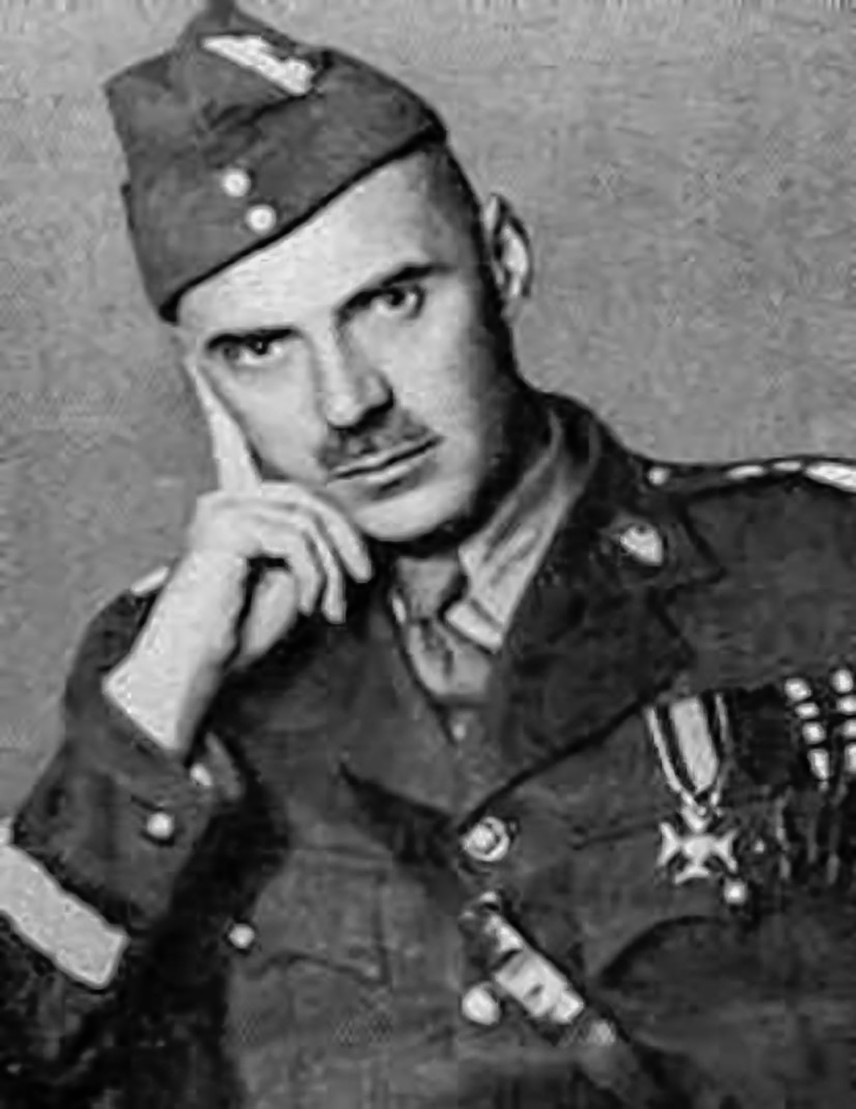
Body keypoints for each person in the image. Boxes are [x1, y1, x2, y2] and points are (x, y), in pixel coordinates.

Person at [3, 2, 856, 1106]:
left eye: (391, 301)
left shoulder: (814, 565)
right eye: (259, 348)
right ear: (203, 381)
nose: (347, 402)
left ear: (502, 259)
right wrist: (162, 696)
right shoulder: (161, 671)